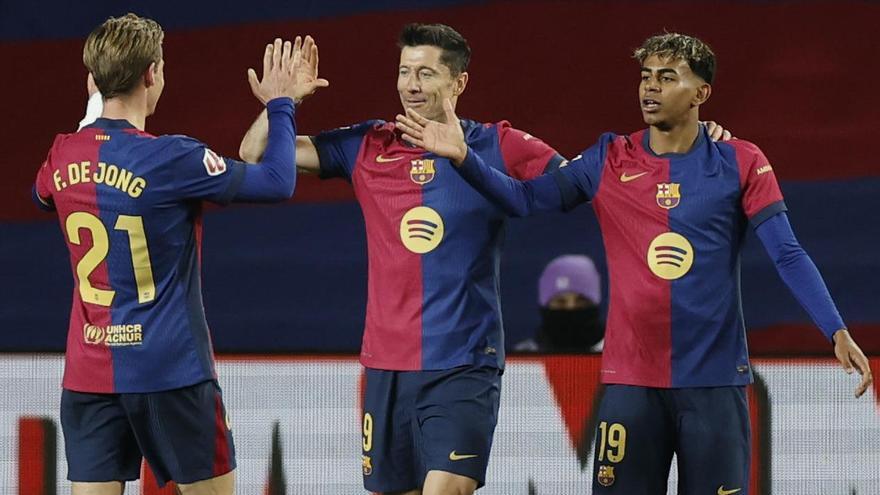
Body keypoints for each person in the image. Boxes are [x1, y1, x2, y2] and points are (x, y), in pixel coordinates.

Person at [239, 23, 731, 495]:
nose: (411, 85)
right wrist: (285, 103)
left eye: (426, 73)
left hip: (464, 360)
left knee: (448, 488)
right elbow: (256, 154)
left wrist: (690, 141)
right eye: (405, 71)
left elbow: (586, 179)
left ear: (459, 82)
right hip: (386, 363)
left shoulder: (498, 144)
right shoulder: (369, 144)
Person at [395, 32, 873, 494]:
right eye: (647, 76)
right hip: (631, 385)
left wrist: (834, 328)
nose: (651, 87)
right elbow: (522, 200)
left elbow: (786, 252)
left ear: (700, 93)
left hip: (715, 382)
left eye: (668, 77)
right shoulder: (609, 158)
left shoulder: (740, 160)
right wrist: (464, 159)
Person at [32, 13, 325, 494]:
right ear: (153, 74)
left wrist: (89, 124)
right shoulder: (173, 158)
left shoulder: (63, 153)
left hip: (89, 375)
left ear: (92, 80)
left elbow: (41, 193)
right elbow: (277, 181)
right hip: (171, 372)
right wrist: (282, 104)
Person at [515, 254, 605, 353]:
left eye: (581, 301)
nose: (571, 307)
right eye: (560, 302)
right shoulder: (522, 361)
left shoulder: (618, 356)